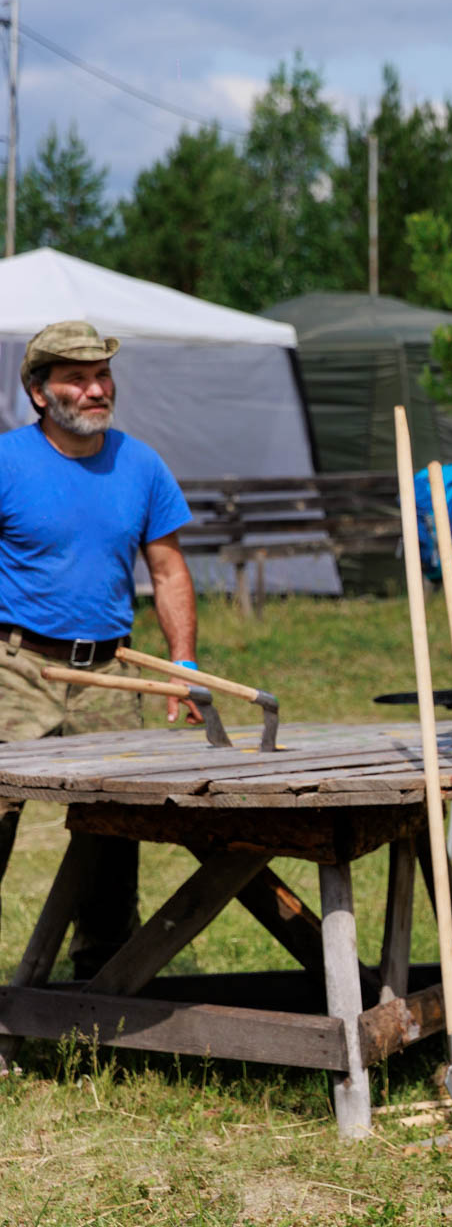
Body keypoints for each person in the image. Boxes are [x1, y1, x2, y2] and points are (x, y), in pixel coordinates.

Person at [0, 321, 201, 979]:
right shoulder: (7, 463)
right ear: (38, 393)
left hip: (111, 674)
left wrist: (184, 665)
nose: (95, 390)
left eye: (103, 376)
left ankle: (105, 985)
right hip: (17, 667)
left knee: (115, 830)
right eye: (77, 378)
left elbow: (169, 571)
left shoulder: (140, 464)